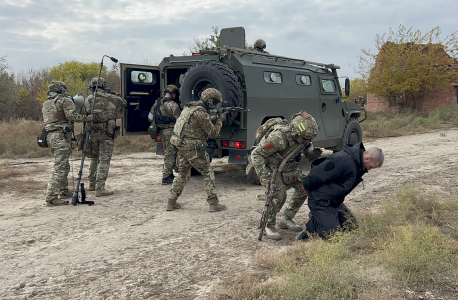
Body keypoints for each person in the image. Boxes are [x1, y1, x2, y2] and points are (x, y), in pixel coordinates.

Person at [251, 111, 322, 240]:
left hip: (290, 169)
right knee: (278, 195)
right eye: (305, 139)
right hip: (273, 171)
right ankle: (268, 225)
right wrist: (265, 176)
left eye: (309, 139)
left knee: (305, 187)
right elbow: (256, 154)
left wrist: (313, 152)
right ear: (295, 132)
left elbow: (306, 149)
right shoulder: (278, 138)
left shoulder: (303, 138)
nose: (307, 141)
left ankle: (286, 218)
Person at [297, 143, 384, 241]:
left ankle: (321, 219)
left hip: (335, 202)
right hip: (320, 201)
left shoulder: (358, 164)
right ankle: (312, 228)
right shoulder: (343, 160)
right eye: (371, 166)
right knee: (334, 235)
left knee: (352, 228)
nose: (369, 169)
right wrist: (307, 187)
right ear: (367, 158)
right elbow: (318, 173)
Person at [166, 88, 229, 212]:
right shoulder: (201, 113)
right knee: (207, 173)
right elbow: (213, 133)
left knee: (183, 174)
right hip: (193, 147)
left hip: (181, 145)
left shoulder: (189, 108)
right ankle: (213, 203)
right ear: (210, 101)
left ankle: (171, 202)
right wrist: (220, 120)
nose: (215, 105)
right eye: (215, 103)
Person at [42, 81, 93, 206]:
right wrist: (87, 118)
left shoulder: (47, 102)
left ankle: (63, 190)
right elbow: (72, 116)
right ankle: (52, 197)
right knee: (60, 167)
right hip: (60, 136)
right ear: (62, 90)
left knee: (63, 165)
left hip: (50, 136)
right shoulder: (64, 100)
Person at [84, 77, 127, 197]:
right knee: (104, 160)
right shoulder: (110, 98)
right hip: (106, 133)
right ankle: (100, 187)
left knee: (94, 158)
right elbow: (124, 102)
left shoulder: (88, 99)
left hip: (92, 133)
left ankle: (91, 184)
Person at [148, 84, 181, 185]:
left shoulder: (157, 103)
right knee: (170, 154)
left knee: (169, 153)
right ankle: (166, 177)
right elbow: (179, 121)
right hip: (171, 132)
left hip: (161, 132)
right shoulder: (173, 105)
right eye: (175, 94)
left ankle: (170, 174)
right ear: (173, 94)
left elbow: (150, 117)